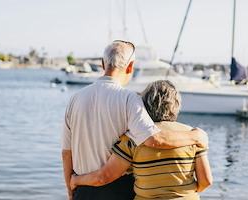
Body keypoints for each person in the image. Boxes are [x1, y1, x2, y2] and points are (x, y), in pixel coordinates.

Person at [61, 40, 209, 200]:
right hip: (119, 191)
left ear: (103, 64)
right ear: (130, 66)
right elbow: (153, 139)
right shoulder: (129, 99)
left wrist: (71, 190)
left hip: (82, 190)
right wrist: (196, 136)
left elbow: (66, 153)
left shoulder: (75, 99)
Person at [70, 80, 213, 200]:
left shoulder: (133, 138)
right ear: (177, 105)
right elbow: (206, 181)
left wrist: (76, 180)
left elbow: (105, 176)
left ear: (144, 106)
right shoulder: (194, 135)